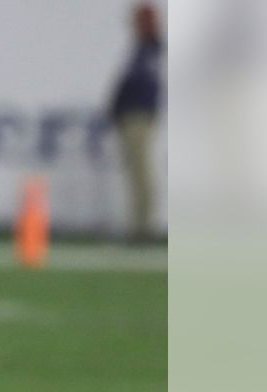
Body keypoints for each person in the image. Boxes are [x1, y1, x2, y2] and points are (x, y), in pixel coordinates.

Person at [109, 2, 164, 243]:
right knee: (135, 172)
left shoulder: (150, 49)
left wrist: (120, 105)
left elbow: (139, 83)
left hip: (138, 115)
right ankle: (139, 224)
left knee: (140, 172)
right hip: (134, 115)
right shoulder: (144, 48)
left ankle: (143, 226)